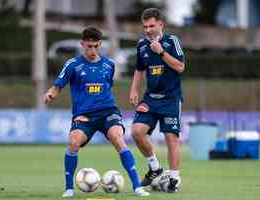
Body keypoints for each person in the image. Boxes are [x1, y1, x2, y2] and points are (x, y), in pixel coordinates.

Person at [45, 27, 149, 198]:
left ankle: (137, 187)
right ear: (82, 44)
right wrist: (50, 94)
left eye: (95, 46)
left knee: (118, 138)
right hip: (84, 116)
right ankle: (69, 188)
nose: (92, 50)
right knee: (73, 142)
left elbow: (108, 87)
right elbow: (57, 86)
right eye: (88, 46)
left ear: (100, 44)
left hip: (108, 111)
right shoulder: (73, 65)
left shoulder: (109, 65)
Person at [129, 8, 185, 192]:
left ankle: (174, 178)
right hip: (150, 99)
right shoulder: (142, 45)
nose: (148, 30)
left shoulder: (172, 41)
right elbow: (139, 69)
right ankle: (155, 168)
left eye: (152, 25)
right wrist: (134, 89)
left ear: (161, 24)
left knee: (171, 138)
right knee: (137, 132)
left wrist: (161, 52)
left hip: (170, 99)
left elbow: (180, 67)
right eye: (145, 26)